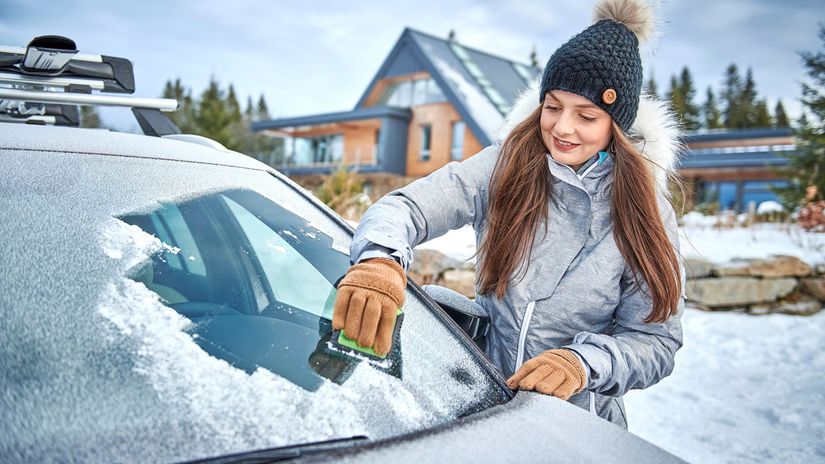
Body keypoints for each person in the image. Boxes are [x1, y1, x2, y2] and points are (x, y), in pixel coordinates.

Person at [332, 0, 685, 428]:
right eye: (553, 107)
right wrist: (379, 260)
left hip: (575, 427)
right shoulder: (504, 167)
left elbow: (654, 341)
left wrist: (583, 363)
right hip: (482, 405)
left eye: (587, 116)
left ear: (618, 125)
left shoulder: (642, 210)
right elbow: (406, 207)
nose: (563, 128)